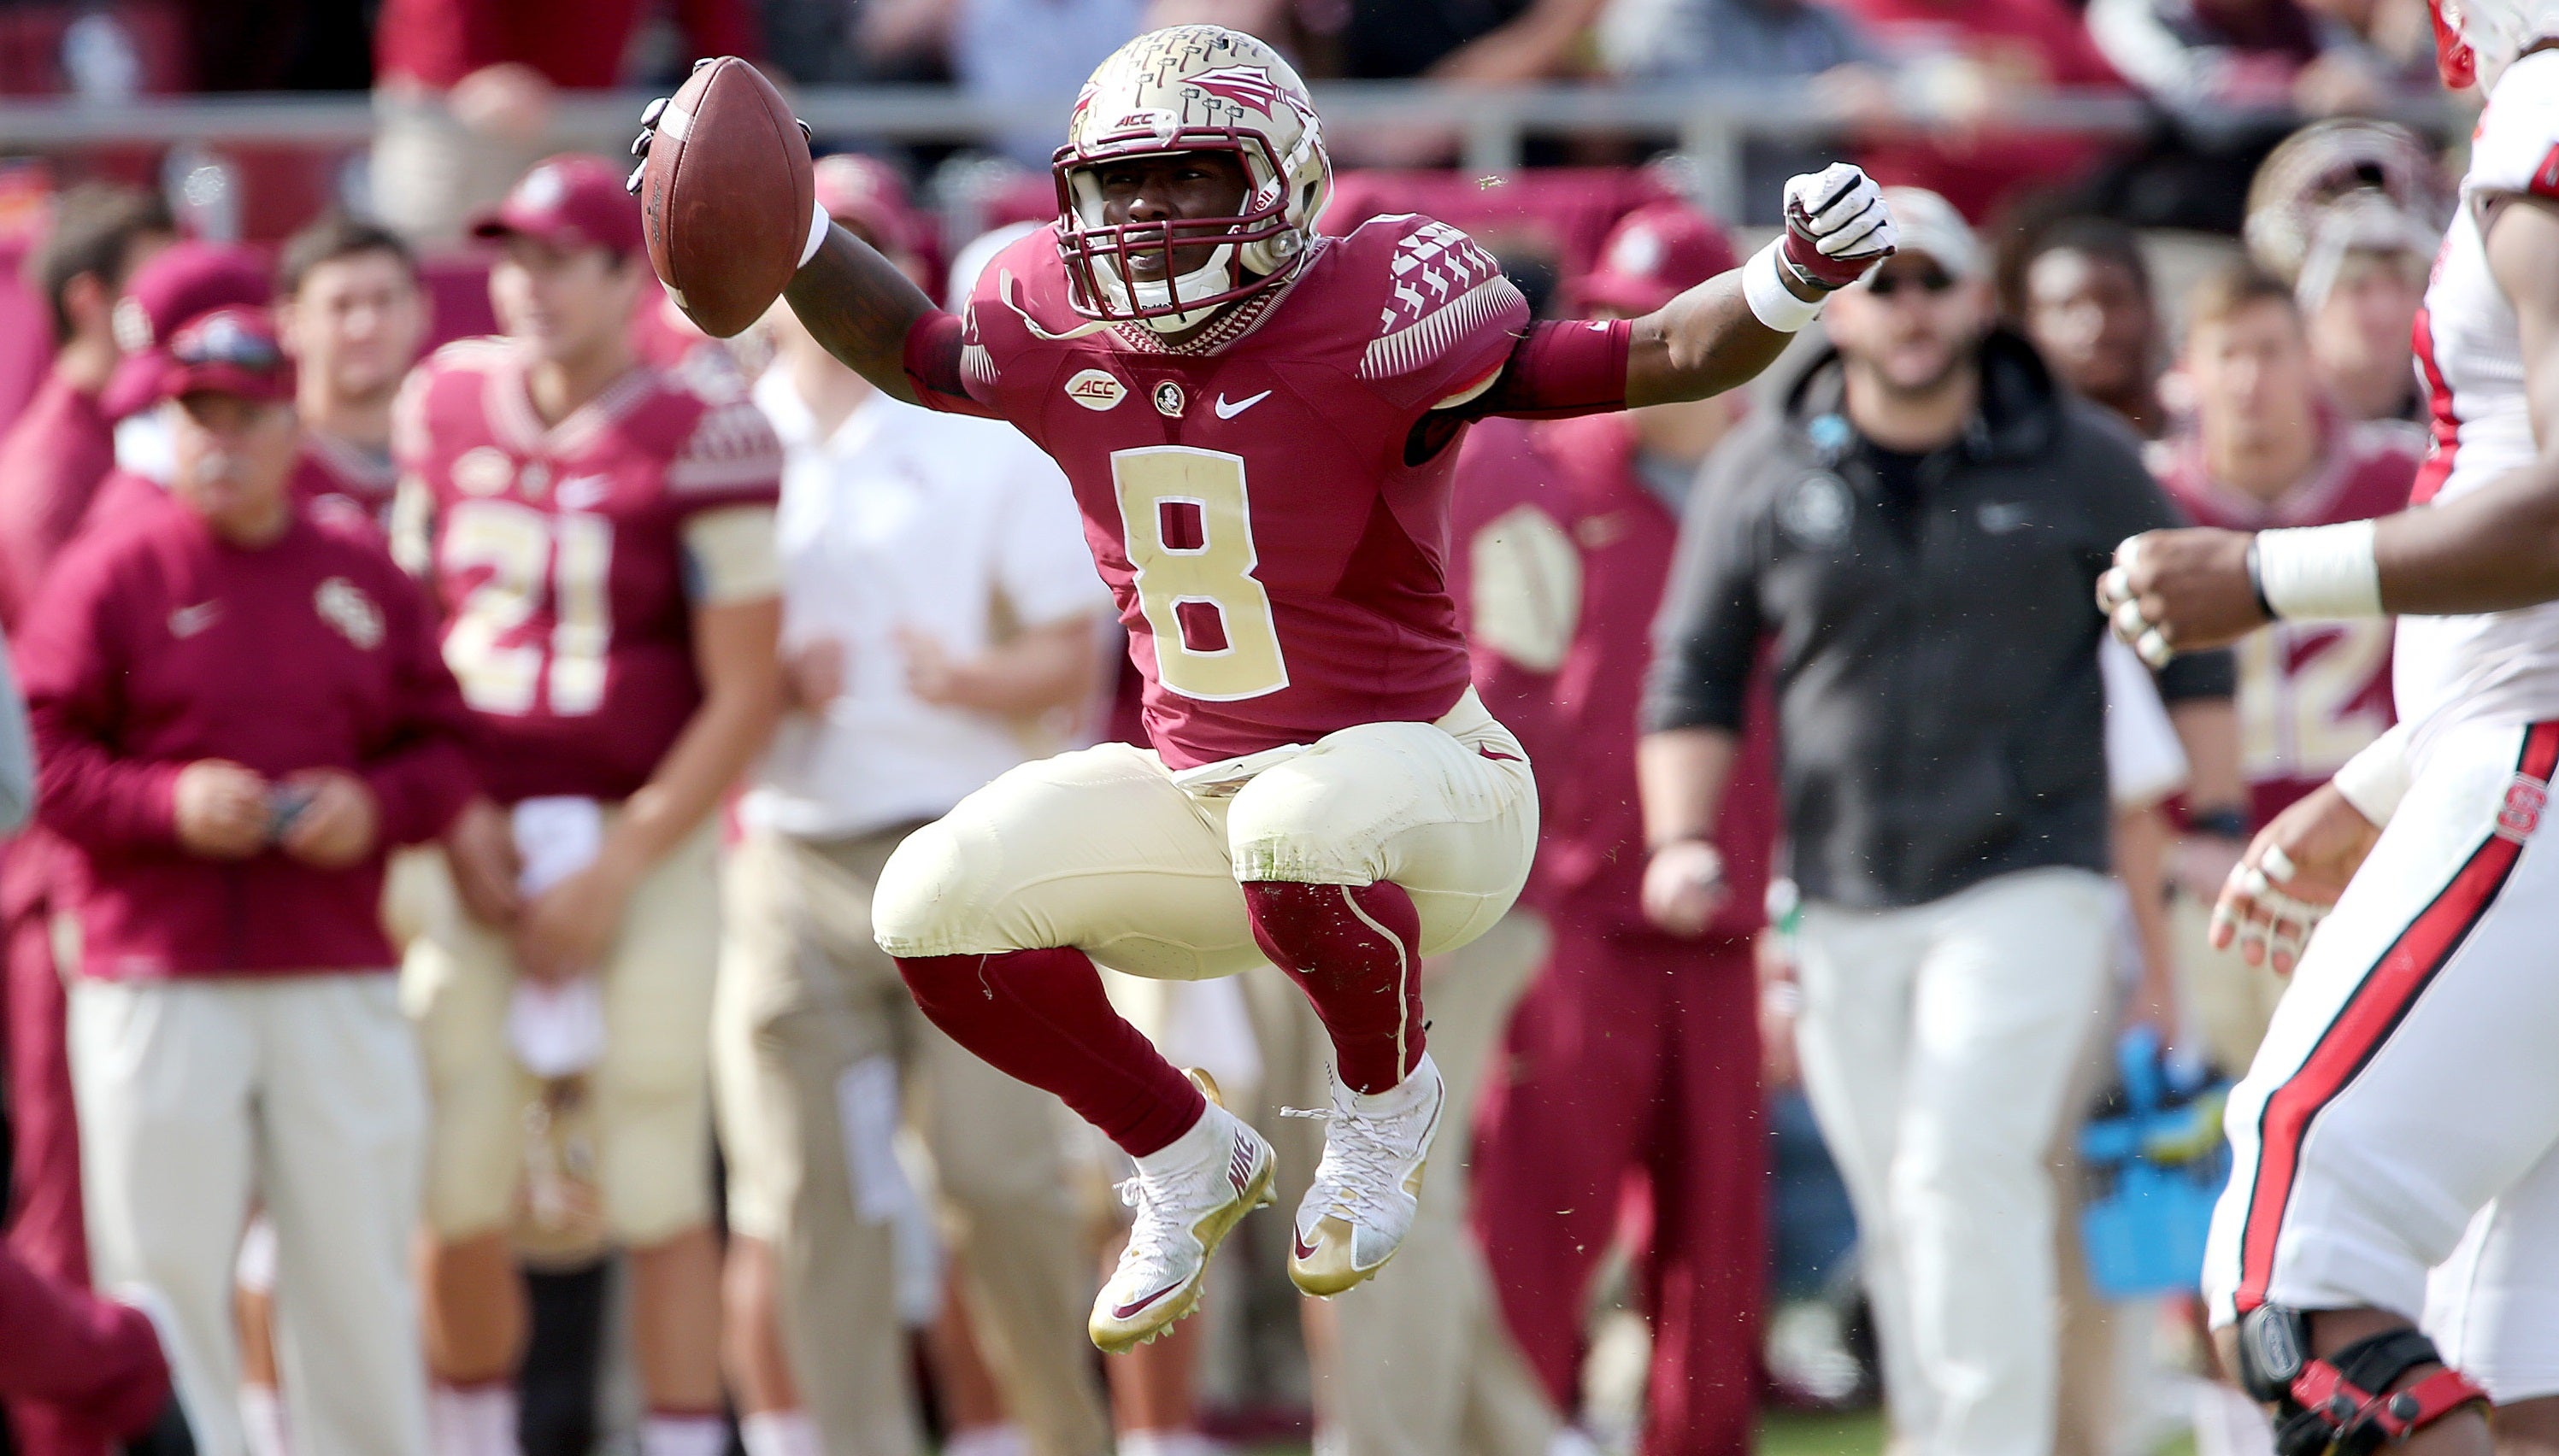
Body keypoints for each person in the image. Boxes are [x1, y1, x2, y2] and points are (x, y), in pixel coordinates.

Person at [632, 21, 1898, 1353]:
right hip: (1208, 807)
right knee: (929, 901)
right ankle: (1186, 1156)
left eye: (1190, 179)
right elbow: (916, 352)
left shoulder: (1380, 311)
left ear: (1283, 186)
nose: (1149, 218)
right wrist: (797, 236)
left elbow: (1653, 359)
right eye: (1123, 185)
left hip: (1431, 794)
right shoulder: (1052, 321)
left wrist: (1792, 272)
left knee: (1295, 820)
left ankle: (1382, 1108)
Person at [1639, 189, 2241, 1456]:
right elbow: (1691, 673)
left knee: (1952, 1170)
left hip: (2035, 880)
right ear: (1833, 307)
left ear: (1976, 296)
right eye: (1877, 280)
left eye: (1929, 279)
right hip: (1847, 899)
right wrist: (1682, 842)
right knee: (1910, 1210)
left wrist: (2221, 813)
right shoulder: (1764, 465)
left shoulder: (2078, 455)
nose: (1904, 305)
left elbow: (2193, 643)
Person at [2100, 6, 2559, 1450]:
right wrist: (2389, 763)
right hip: (2507, 751)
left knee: (2292, 1277)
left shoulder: (2543, 113)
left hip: (2534, 775)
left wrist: (2256, 575)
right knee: (2520, 1368)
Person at [19, 304, 477, 1456]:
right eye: (196, 418)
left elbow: (444, 746)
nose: (218, 443)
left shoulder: (358, 572)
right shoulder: (114, 568)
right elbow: (38, 759)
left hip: (329, 963)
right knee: (164, 1282)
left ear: (291, 426)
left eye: (243, 418)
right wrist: (166, 805)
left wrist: (372, 808)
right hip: (156, 966)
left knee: (357, 1272)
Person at [713, 158, 1115, 1456]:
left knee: (1000, 1183)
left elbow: (1072, 658)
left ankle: (1060, 1437)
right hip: (790, 843)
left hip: (966, 849)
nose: (825, 278)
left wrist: (963, 677)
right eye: (809, 247)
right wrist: (762, 684)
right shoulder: (725, 430)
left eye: (854, 246)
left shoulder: (970, 432)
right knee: (807, 1200)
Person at [394, 154, 785, 1456]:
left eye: (561, 259)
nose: (530, 285)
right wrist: (451, 814)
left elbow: (744, 692)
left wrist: (619, 864)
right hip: (470, 837)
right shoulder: (442, 402)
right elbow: (400, 655)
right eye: (514, 259)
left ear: (631, 276)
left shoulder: (700, 424)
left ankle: (676, 1437)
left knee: (657, 1158)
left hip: (641, 830)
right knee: (456, 1167)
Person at [1468, 202, 1776, 1456]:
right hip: (1575, 914)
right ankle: (1514, 1436)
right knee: (1540, 1223)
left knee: (1719, 1250)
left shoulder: (1777, 487)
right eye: (1617, 307)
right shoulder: (1534, 471)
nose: (1634, 338)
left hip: (1732, 909)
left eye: (1662, 312)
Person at [0, 186, 179, 1456]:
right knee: (69, 1217)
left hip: (87, 874)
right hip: (66, 883)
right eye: (159, 293)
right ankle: (119, 1389)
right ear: (88, 299)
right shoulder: (58, 471)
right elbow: (55, 744)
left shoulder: (89, 449)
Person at [2148, 261, 2417, 1068]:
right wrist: (2170, 846)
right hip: (2197, 873)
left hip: (2375, 851)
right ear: (2185, 372)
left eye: (2270, 351)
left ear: (2310, 359)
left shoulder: (2399, 478)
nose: (2248, 379)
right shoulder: (2144, 496)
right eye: (2226, 354)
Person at [2244, 120, 2448, 425]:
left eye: (2401, 283)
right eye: (2357, 288)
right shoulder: (2264, 426)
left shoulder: (2469, 409)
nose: (2384, 311)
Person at [276, 212, 433, 525]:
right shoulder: (270, 469)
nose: (365, 326)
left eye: (384, 300)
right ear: (291, 324)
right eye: (340, 306)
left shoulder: (458, 462)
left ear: (421, 311)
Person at [2015, 216, 2170, 440]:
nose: (2096, 324)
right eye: (2067, 306)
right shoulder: (2008, 451)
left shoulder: (2208, 433)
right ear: (2032, 326)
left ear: (2151, 308)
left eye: (2113, 299)